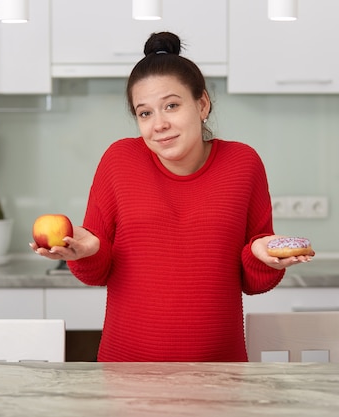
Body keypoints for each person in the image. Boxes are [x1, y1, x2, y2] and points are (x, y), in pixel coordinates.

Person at [31, 31, 314, 362]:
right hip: (127, 378)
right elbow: (98, 271)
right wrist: (85, 251)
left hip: (221, 376)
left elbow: (252, 281)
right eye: (145, 113)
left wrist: (261, 257)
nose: (159, 124)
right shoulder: (119, 161)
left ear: (202, 104)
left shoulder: (242, 164)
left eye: (172, 106)